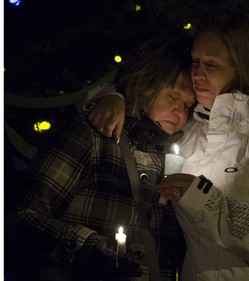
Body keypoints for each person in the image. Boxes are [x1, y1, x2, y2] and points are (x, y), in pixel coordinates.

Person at [83, 6, 249, 281]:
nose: (197, 74)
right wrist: (112, 95)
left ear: (243, 66)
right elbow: (144, 100)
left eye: (211, 65)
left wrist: (204, 199)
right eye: (195, 61)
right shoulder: (191, 122)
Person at [5, 35, 195, 281]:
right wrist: (86, 247)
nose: (180, 112)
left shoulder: (174, 158)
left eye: (188, 106)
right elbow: (19, 218)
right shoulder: (92, 135)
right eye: (172, 97)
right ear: (144, 83)